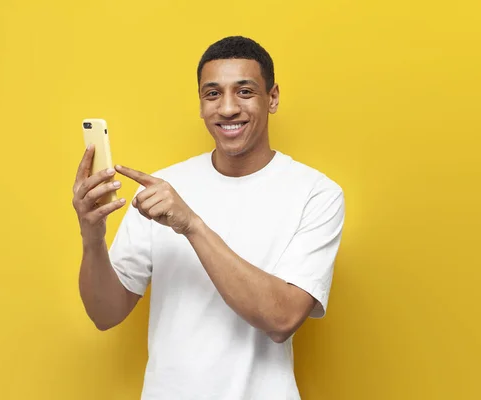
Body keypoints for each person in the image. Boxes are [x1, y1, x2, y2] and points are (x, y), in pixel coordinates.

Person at [72, 36, 345, 400]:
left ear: (273, 97)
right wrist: (91, 235)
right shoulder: (159, 190)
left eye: (245, 91)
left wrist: (191, 225)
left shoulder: (317, 194)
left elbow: (282, 320)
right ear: (201, 104)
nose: (227, 108)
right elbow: (105, 314)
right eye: (212, 94)